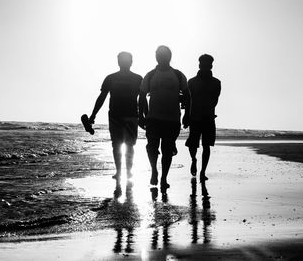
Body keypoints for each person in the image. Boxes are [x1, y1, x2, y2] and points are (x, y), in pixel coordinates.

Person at [139, 45, 190, 192]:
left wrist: (187, 114)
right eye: (159, 55)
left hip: (172, 119)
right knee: (152, 147)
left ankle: (164, 178)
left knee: (167, 150)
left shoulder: (178, 75)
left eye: (164, 55)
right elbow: (141, 96)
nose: (161, 58)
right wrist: (141, 116)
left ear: (169, 57)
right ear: (156, 57)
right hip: (153, 118)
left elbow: (188, 95)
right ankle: (154, 171)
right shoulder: (150, 75)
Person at [89, 51, 143, 180]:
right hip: (115, 116)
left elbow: (142, 99)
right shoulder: (110, 78)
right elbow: (102, 97)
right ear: (118, 62)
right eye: (122, 60)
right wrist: (93, 115)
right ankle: (119, 171)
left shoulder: (138, 79)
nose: (124, 62)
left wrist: (143, 115)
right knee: (117, 144)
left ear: (131, 62)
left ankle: (128, 171)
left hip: (131, 115)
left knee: (129, 145)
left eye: (126, 60)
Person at [185, 54, 221, 182]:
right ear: (199, 65)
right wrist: (187, 116)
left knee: (207, 146)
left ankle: (203, 171)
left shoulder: (216, 83)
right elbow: (188, 101)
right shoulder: (191, 82)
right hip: (194, 118)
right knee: (193, 145)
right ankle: (194, 160)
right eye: (203, 64)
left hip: (208, 118)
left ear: (211, 66)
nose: (205, 66)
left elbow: (215, 101)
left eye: (207, 64)